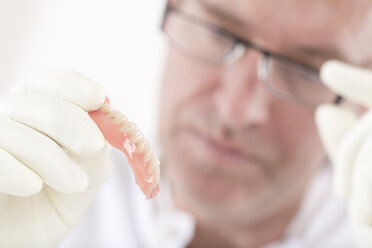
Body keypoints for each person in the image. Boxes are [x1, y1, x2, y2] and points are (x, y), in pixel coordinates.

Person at [0, 0, 372, 247]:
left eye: (305, 71)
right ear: (170, 8)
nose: (236, 111)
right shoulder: (47, 198)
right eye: (219, 34)